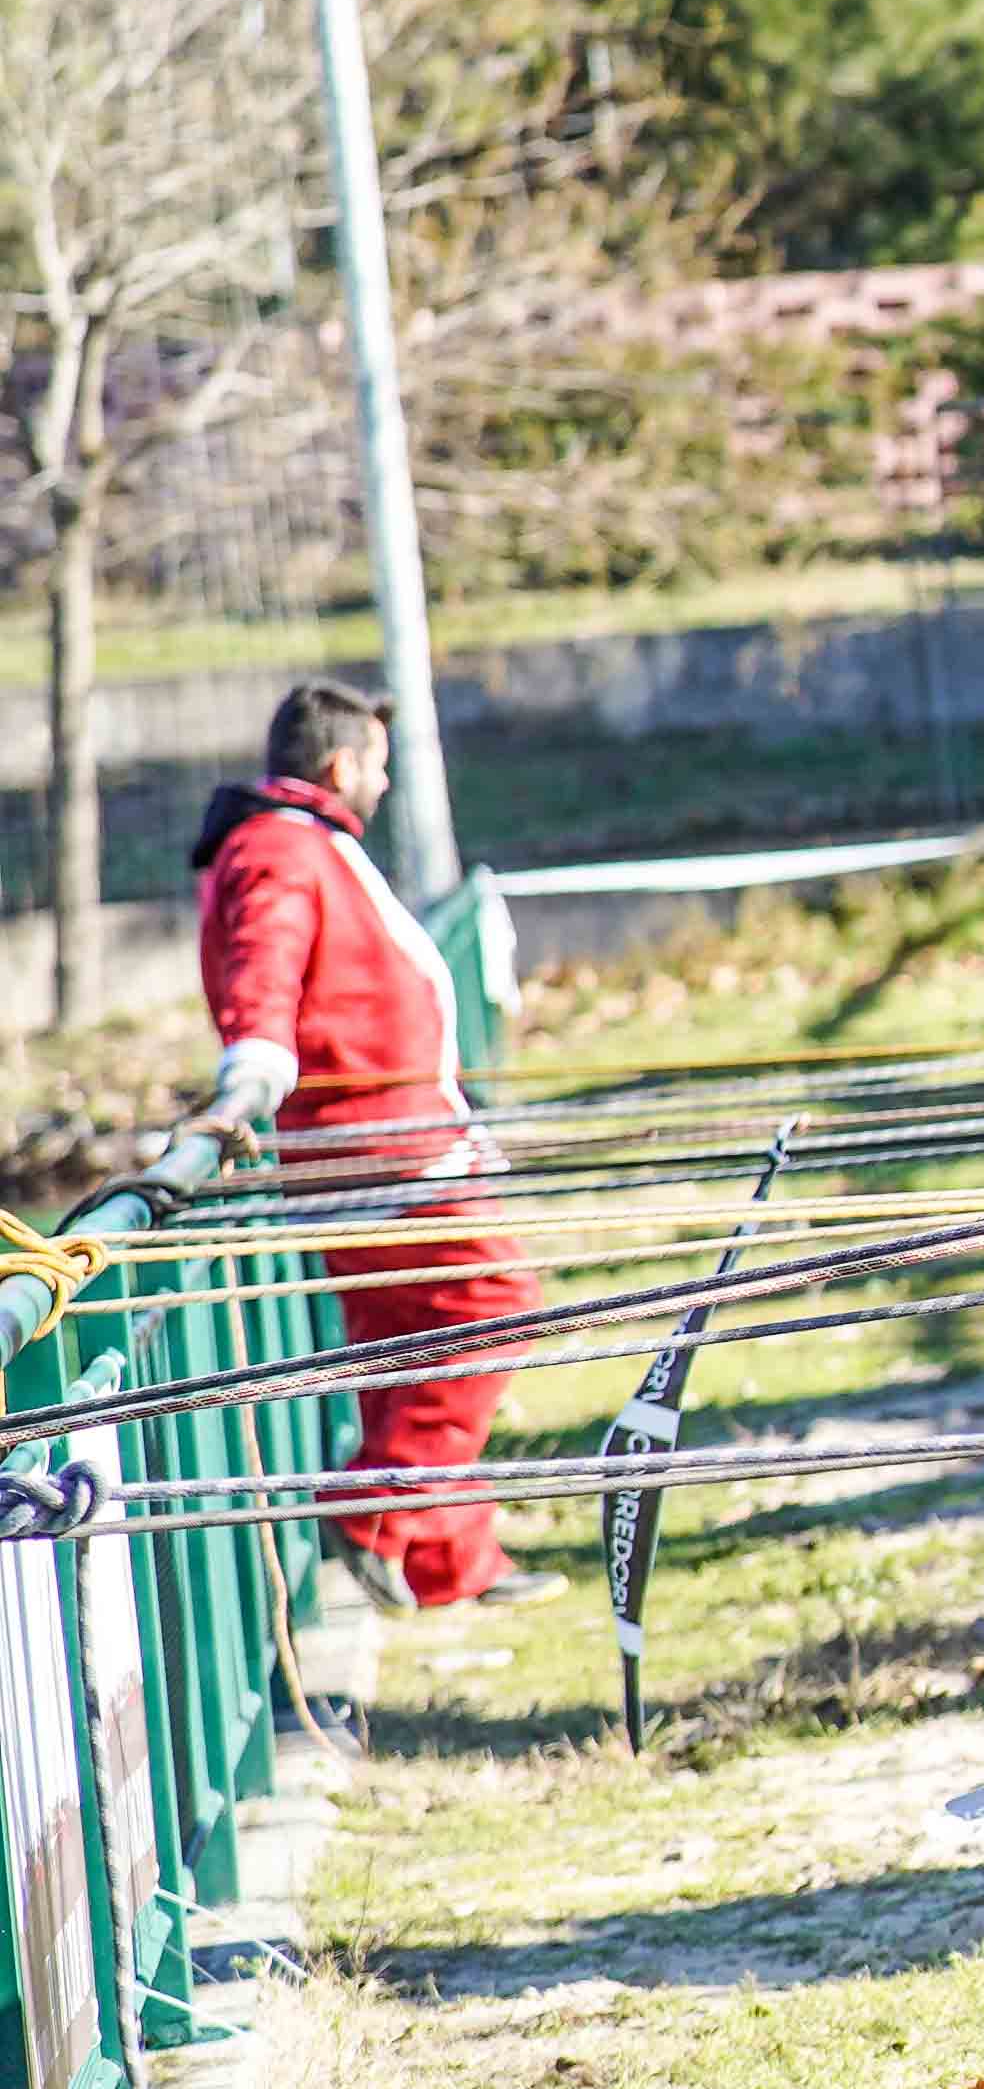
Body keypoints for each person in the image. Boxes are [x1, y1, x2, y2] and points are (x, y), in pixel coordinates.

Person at [188, 680, 546, 1612]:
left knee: (407, 1347)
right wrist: (251, 1070)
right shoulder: (279, 849)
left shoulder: (300, 840)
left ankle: (446, 1561)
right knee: (492, 1304)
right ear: (343, 766)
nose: (385, 784)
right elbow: (261, 972)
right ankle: (371, 1515)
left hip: (380, 1141)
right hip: (380, 1150)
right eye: (379, 765)